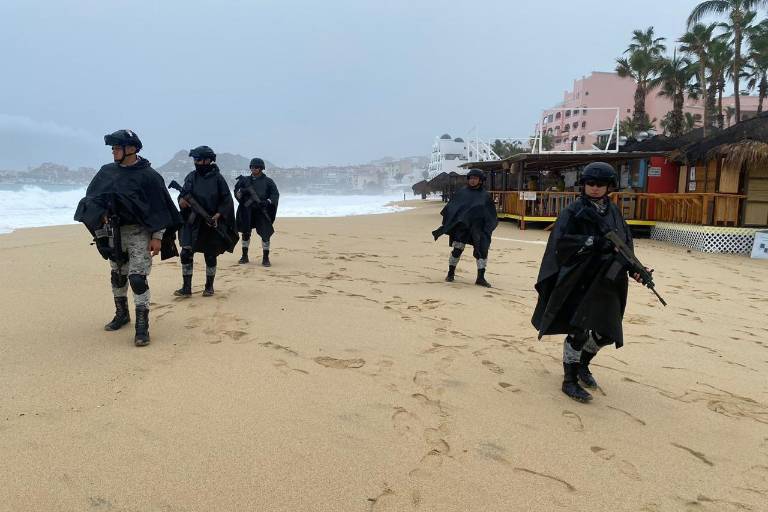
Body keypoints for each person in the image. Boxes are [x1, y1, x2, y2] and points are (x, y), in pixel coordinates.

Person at [531, 162, 646, 402]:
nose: (594, 188)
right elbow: (561, 242)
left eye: (600, 184)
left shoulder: (613, 212)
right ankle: (569, 379)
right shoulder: (573, 211)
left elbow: (624, 244)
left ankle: (583, 364)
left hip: (609, 279)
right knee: (579, 331)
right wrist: (594, 242)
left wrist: (635, 269)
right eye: (590, 183)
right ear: (583, 185)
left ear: (609, 187)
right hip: (579, 278)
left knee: (607, 332)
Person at [74, 129, 181, 347]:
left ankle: (143, 325)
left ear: (131, 149)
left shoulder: (150, 176)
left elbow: (160, 209)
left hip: (140, 232)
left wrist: (158, 237)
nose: (113, 151)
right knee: (118, 275)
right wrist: (101, 225)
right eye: (112, 148)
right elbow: (92, 201)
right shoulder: (106, 172)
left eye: (117, 147)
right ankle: (122, 314)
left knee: (137, 278)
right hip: (114, 232)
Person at [174, 146, 238, 297]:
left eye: (199, 160)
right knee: (185, 253)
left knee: (210, 255)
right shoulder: (191, 176)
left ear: (208, 160)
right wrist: (181, 201)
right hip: (191, 222)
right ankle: (186, 288)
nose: (196, 163)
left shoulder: (218, 179)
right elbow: (183, 196)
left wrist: (218, 215)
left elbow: (227, 200)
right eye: (195, 160)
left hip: (211, 223)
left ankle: (209, 287)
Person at [432, 169, 498, 287]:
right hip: (461, 227)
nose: (472, 180)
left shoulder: (485, 196)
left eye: (475, 178)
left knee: (482, 250)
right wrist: (452, 221)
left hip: (478, 228)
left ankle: (480, 278)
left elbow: (491, 213)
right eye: (471, 178)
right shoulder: (461, 193)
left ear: (480, 181)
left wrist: (487, 228)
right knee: (457, 249)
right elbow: (451, 208)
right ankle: (450, 273)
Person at [234, 158, 279, 266]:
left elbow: (275, 194)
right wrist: (239, 193)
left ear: (261, 168)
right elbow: (236, 191)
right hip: (247, 210)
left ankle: (265, 258)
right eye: (252, 167)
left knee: (265, 234)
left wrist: (267, 202)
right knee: (245, 233)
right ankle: (244, 256)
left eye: (256, 167)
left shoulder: (268, 181)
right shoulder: (244, 180)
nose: (253, 169)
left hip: (261, 211)